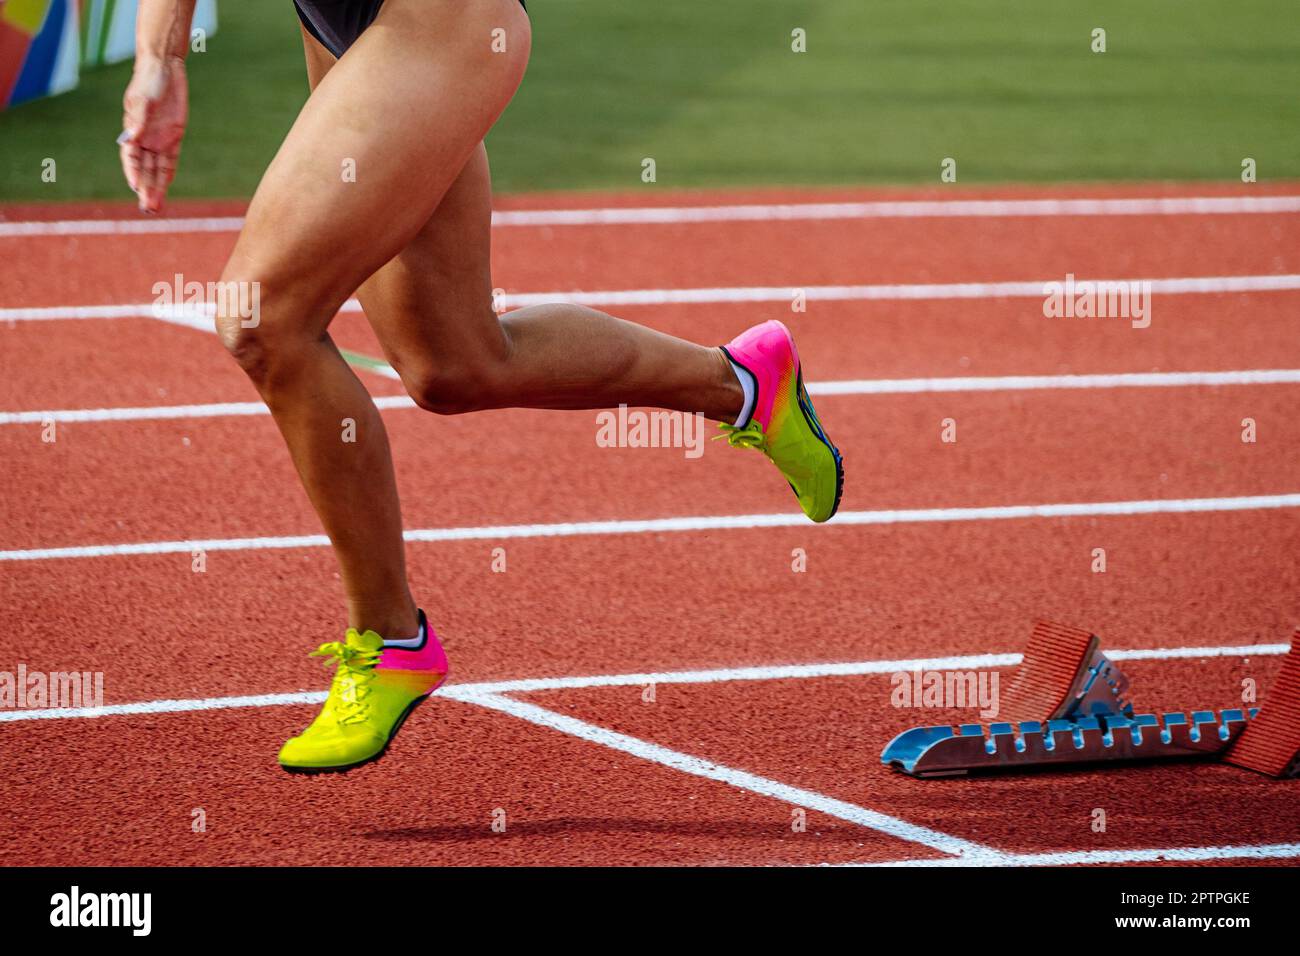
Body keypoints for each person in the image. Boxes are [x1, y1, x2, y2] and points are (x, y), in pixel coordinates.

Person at [119, 0, 843, 773]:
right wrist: (158, 56)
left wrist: (163, 59)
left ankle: (390, 641)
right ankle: (742, 383)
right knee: (453, 364)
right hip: (342, 21)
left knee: (261, 320)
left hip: (440, 16)